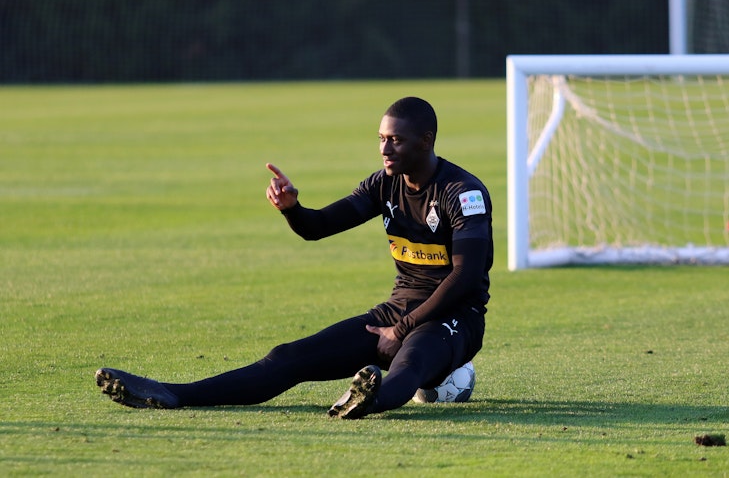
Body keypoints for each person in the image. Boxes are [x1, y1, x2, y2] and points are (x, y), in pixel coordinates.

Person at [95, 96, 493, 419]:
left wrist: (402, 328)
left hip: (455, 317)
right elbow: (318, 227)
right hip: (396, 311)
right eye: (381, 138)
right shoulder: (383, 184)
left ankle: (367, 400)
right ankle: (173, 394)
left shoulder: (462, 193)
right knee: (289, 357)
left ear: (425, 141)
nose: (385, 149)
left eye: (396, 140)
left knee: (410, 364)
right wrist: (292, 209)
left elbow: (466, 276)